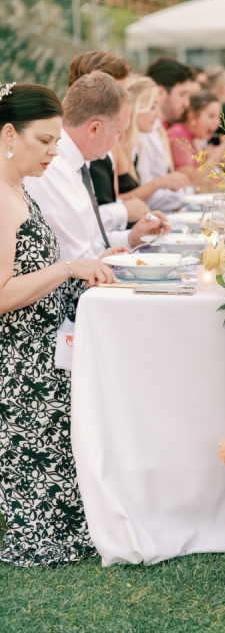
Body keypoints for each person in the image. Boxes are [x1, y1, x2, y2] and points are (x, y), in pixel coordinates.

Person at [0, 82, 117, 566]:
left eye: (54, 141)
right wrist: (69, 268)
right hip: (21, 371)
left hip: (48, 346)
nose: (53, 152)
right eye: (44, 141)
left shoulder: (18, 187)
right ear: (9, 134)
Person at [24, 71, 167, 260]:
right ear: (94, 128)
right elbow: (76, 259)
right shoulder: (52, 167)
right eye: (119, 131)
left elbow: (93, 242)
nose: (122, 139)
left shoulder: (79, 162)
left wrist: (131, 238)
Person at [67, 50, 149, 229]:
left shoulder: (107, 144)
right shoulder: (76, 146)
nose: (128, 101)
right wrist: (124, 210)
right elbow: (79, 222)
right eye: (120, 92)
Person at [112, 77, 189, 203]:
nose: (158, 115)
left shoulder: (137, 144)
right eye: (152, 107)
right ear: (136, 107)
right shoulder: (116, 146)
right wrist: (158, 183)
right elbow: (114, 202)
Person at [139, 58, 196, 211]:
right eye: (182, 95)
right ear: (162, 92)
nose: (187, 103)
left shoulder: (158, 129)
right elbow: (148, 193)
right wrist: (194, 193)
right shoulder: (144, 131)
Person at [167, 91, 225, 189]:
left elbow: (205, 178)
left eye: (219, 117)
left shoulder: (194, 138)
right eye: (211, 116)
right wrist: (218, 153)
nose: (218, 122)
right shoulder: (179, 135)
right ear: (192, 116)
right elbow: (191, 180)